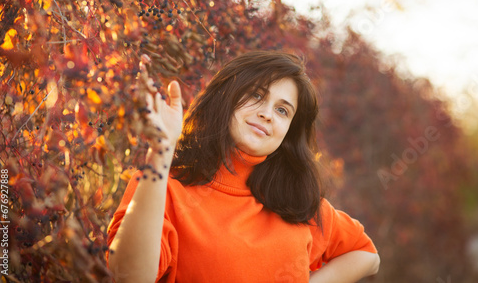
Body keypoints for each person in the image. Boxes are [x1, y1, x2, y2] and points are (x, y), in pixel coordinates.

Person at [107, 51, 380, 283]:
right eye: (256, 95)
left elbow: (367, 255)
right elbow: (128, 276)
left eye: (282, 110)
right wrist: (161, 151)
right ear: (226, 97)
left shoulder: (299, 203)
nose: (267, 114)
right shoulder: (162, 186)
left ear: (289, 131)